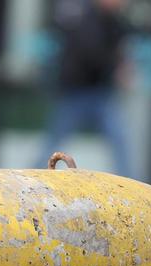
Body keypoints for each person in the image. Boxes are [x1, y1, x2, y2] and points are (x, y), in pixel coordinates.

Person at [37, 0, 132, 177]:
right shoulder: (82, 14)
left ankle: (135, 187)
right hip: (75, 92)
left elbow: (121, 51)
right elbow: (91, 53)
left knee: (120, 141)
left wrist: (123, 66)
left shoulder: (116, 21)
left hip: (101, 93)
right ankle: (29, 180)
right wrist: (116, 68)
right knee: (53, 143)